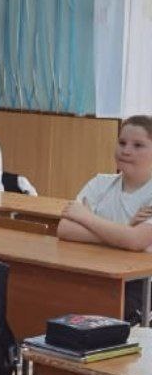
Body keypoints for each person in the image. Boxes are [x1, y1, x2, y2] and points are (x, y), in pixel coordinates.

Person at [58, 115, 152, 323]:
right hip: (94, 273)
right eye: (122, 143)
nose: (126, 151)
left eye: (138, 145)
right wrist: (123, 231)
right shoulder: (100, 183)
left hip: (138, 286)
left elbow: (136, 241)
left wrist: (87, 218)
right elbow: (64, 228)